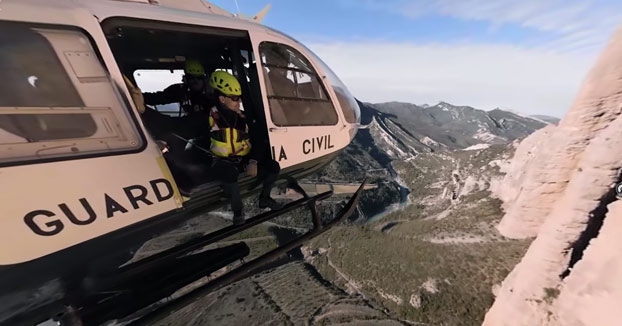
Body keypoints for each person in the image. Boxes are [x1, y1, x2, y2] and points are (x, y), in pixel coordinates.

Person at [125, 71, 283, 225]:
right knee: (229, 173)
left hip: (243, 158)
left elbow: (257, 139)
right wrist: (144, 110)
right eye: (235, 98)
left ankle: (265, 198)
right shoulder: (207, 118)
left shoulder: (242, 118)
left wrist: (254, 161)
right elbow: (173, 125)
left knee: (273, 166)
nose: (239, 102)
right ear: (222, 98)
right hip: (221, 161)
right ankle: (238, 211)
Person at [142, 59, 216, 114]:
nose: (195, 81)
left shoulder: (215, 94)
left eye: (199, 77)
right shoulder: (180, 91)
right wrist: (139, 97)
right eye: (191, 77)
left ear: (205, 79)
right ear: (185, 79)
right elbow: (157, 98)